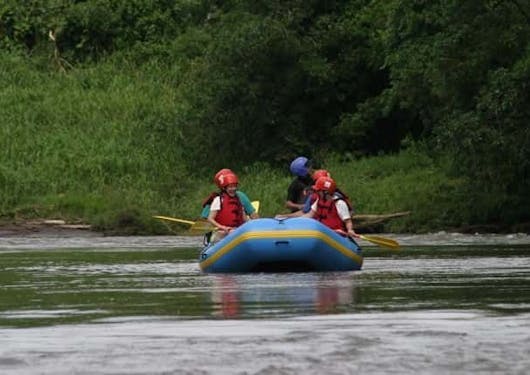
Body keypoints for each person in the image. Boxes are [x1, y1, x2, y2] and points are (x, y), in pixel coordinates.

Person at [204, 171, 256, 242]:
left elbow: (244, 219)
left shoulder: (239, 199)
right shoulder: (218, 200)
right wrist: (223, 227)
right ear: (224, 188)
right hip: (222, 232)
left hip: (236, 231)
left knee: (237, 234)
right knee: (224, 234)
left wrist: (252, 226)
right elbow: (210, 218)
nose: (233, 189)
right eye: (230, 187)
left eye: (235, 186)